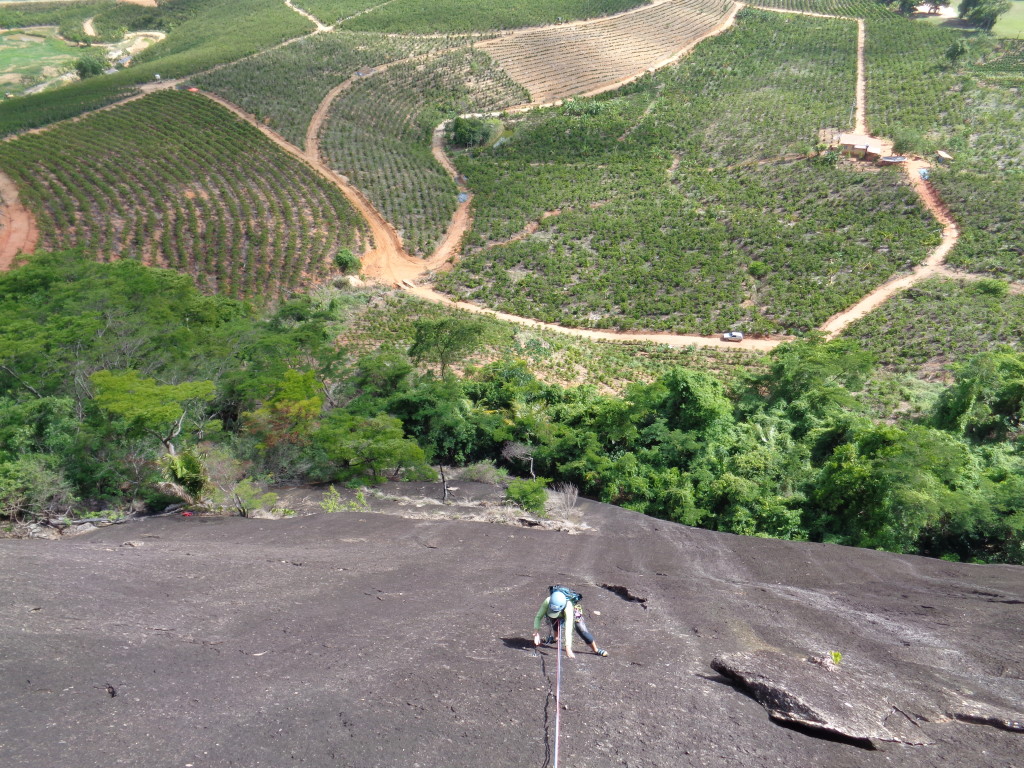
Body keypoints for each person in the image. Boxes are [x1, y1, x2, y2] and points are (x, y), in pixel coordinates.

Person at [532, 586, 608, 658]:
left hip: (572, 611)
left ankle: (596, 650)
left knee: (582, 630)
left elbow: (568, 629)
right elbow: (538, 616)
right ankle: (555, 638)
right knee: (553, 617)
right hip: (557, 608)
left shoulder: (568, 607)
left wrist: (568, 648)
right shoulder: (548, 601)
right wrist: (536, 632)